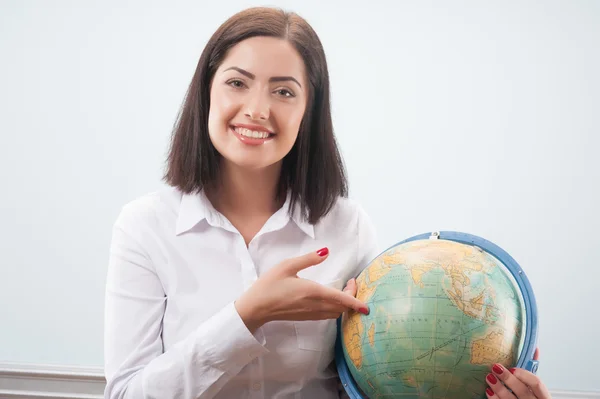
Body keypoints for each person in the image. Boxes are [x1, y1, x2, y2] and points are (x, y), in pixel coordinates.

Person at [103, 6, 551, 399]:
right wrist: (249, 314)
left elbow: (373, 373)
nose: (257, 109)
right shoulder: (145, 227)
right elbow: (125, 394)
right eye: (237, 83)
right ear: (206, 91)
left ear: (308, 111)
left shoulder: (347, 227)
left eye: (284, 91)